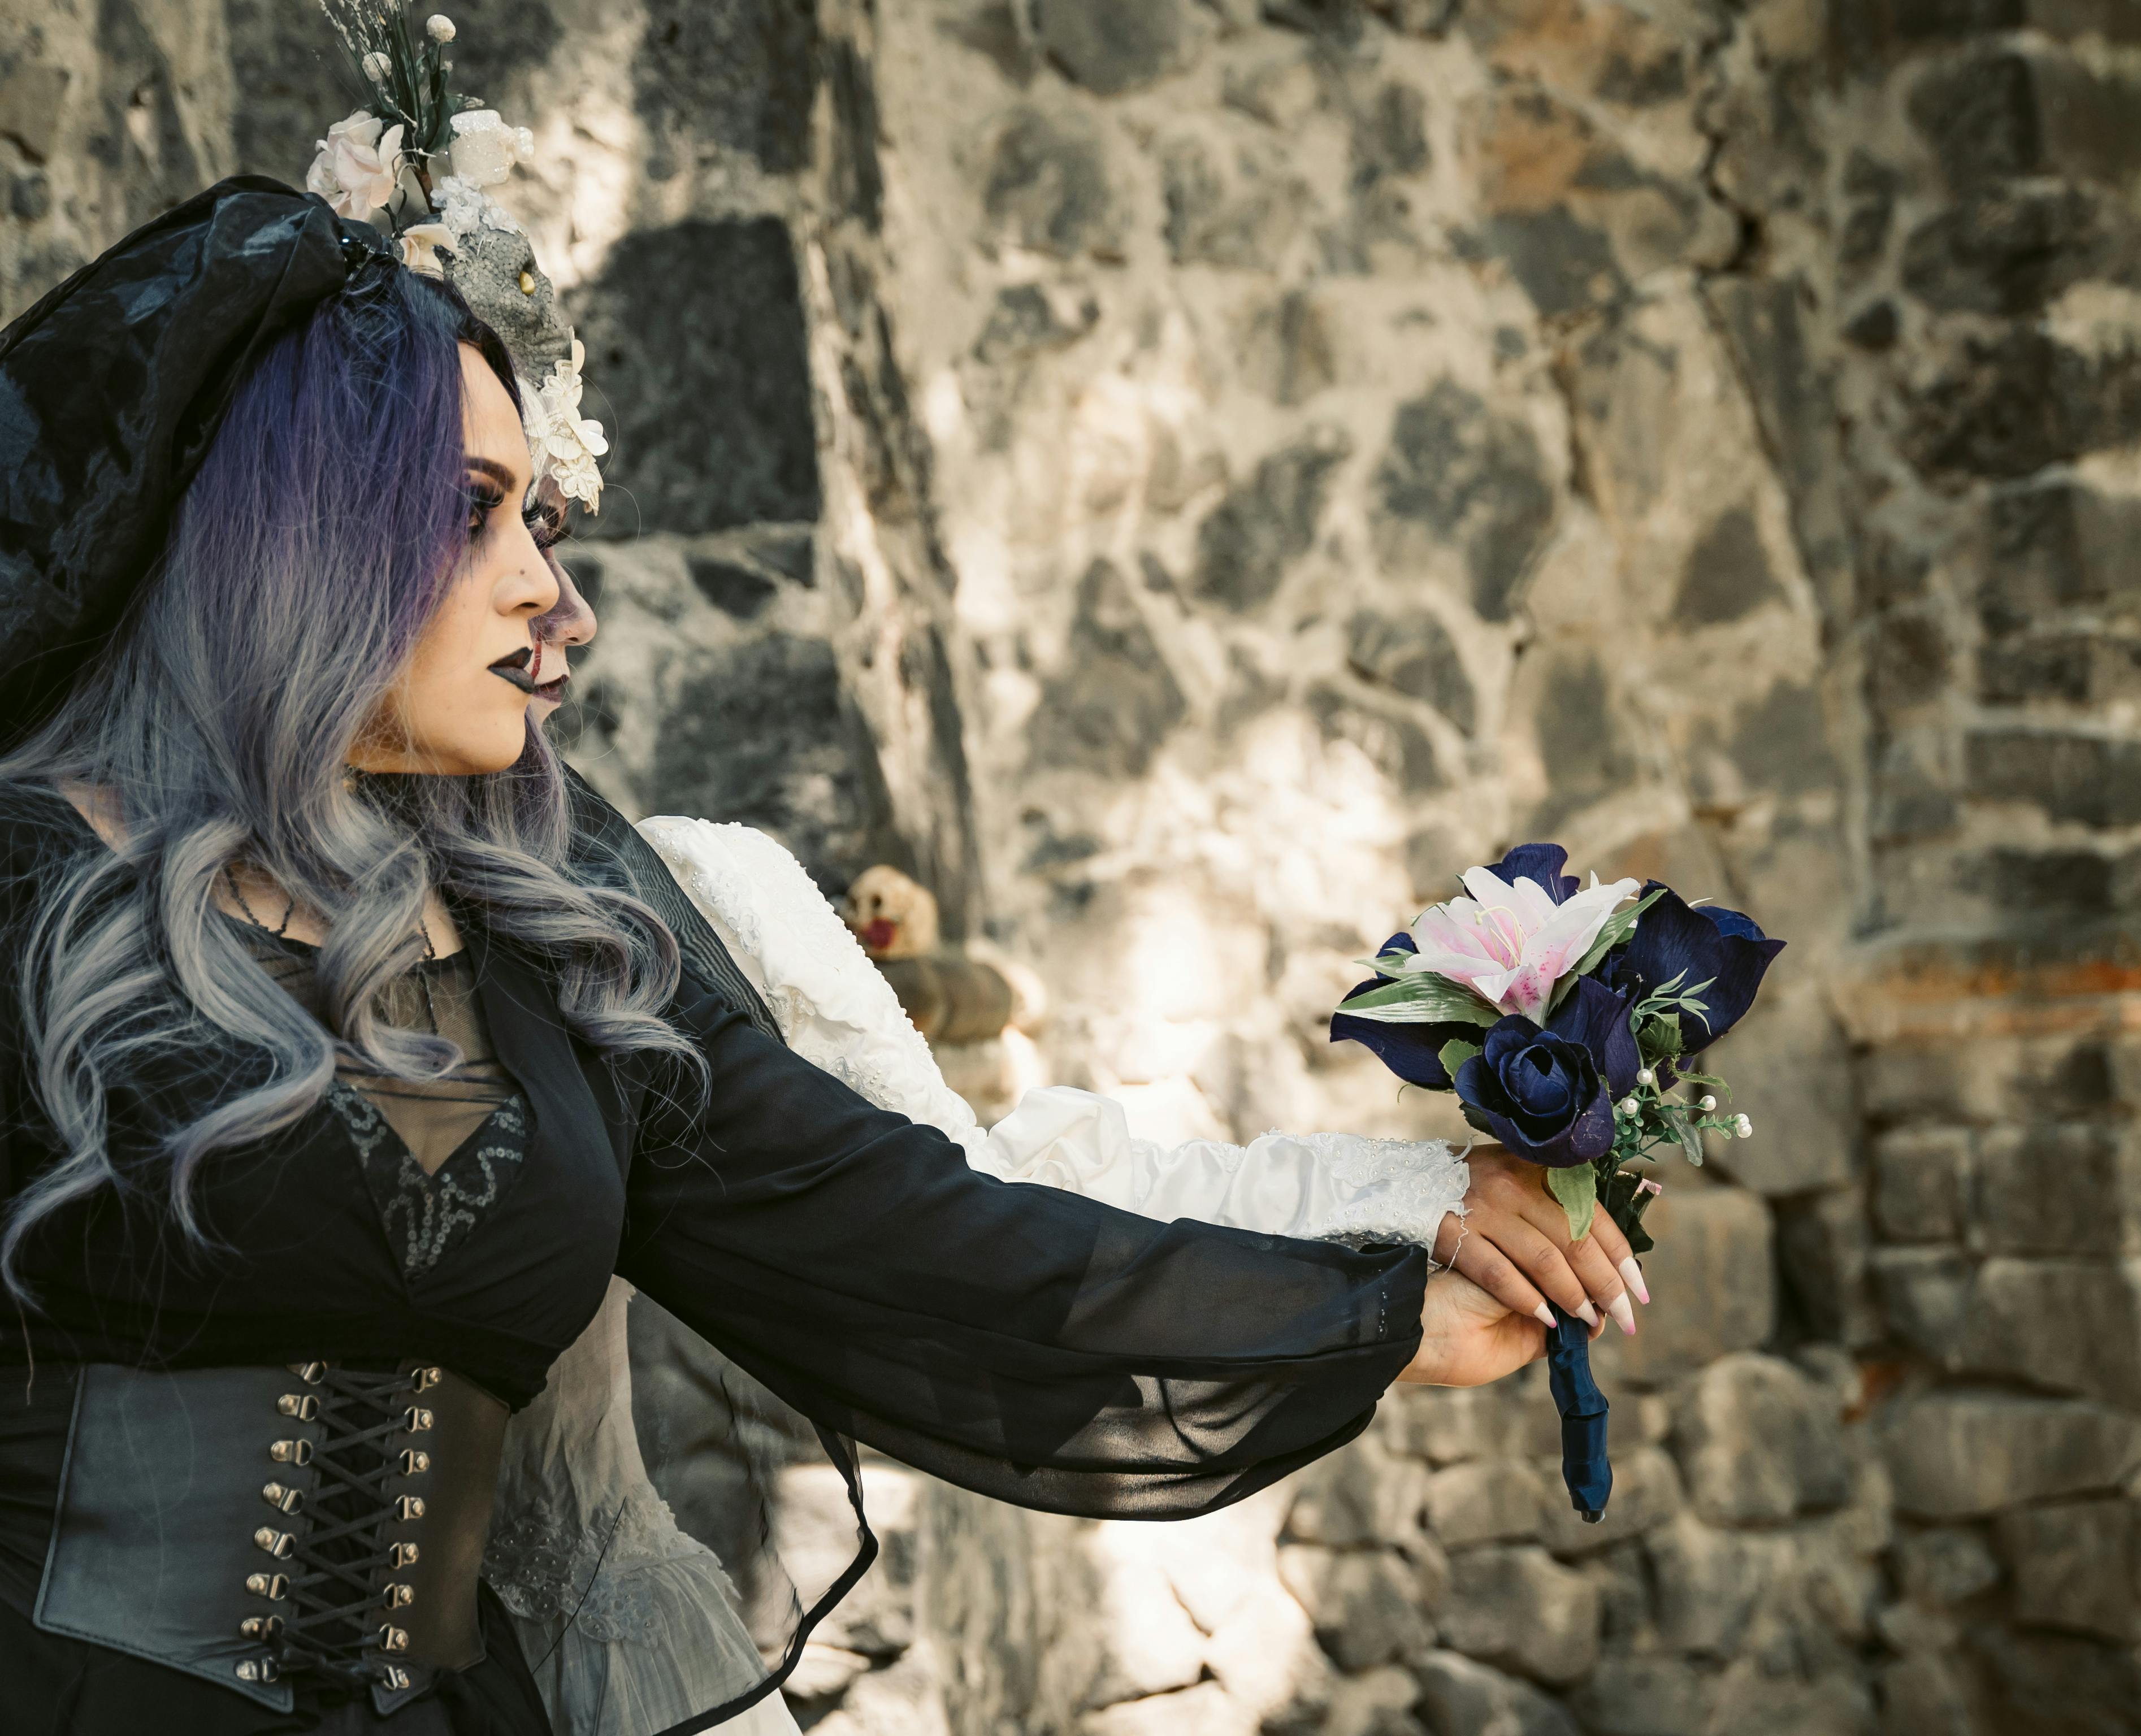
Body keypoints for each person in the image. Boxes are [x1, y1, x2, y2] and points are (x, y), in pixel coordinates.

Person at [0, 174, 1645, 1735]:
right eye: (472, 513)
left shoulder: (556, 918)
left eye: (544, 521)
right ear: (296, 537)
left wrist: (1372, 1311)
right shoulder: (31, 890)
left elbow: (905, 1233)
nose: (552, 598)